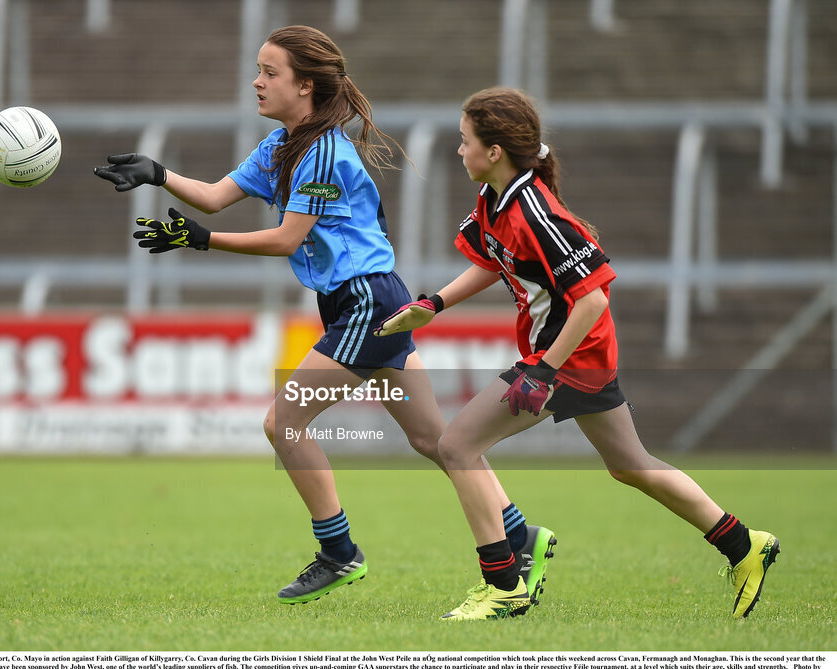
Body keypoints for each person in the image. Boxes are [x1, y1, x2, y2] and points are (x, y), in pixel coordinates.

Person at [95, 27, 556, 607]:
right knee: (432, 438)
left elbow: (289, 239)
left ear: (305, 85)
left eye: (270, 72)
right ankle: (520, 535)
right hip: (360, 299)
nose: (257, 82)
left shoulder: (322, 151)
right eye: (258, 70)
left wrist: (203, 241)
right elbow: (214, 194)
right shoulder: (282, 145)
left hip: (367, 300)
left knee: (282, 423)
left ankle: (339, 552)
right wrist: (158, 174)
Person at [375, 86, 779, 621]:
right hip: (576, 357)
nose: (458, 150)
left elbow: (591, 299)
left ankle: (504, 587)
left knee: (455, 447)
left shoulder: (533, 208)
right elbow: (494, 261)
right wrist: (435, 303)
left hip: (570, 357)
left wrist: (544, 369)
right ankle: (743, 545)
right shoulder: (496, 199)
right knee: (632, 466)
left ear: (494, 151)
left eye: (464, 140)